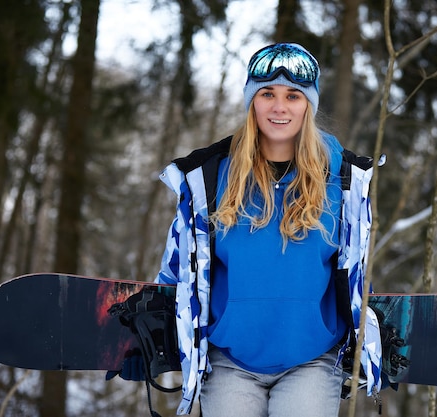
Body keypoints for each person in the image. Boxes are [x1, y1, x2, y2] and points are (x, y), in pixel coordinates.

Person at [150, 43, 381, 416]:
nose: (279, 107)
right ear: (251, 101)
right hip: (228, 362)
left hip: (312, 360)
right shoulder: (207, 178)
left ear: (309, 104)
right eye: (267, 93)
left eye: (293, 95)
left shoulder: (343, 180)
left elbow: (356, 273)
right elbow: (180, 268)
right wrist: (153, 334)